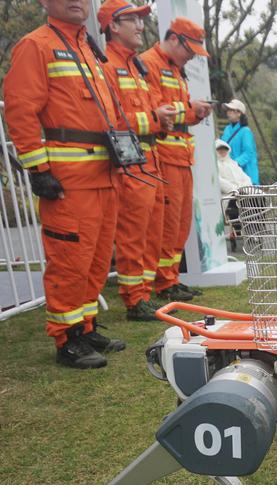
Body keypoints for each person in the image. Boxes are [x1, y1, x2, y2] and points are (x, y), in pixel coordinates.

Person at [3, 0, 129, 368]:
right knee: (70, 261)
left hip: (104, 174)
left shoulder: (88, 47)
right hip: (69, 181)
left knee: (96, 260)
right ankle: (67, 339)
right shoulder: (36, 45)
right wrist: (37, 169)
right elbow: (20, 108)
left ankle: (85, 327)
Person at [97, 0, 176, 322]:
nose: (141, 26)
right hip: (131, 163)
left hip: (149, 159)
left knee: (152, 233)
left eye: (141, 20)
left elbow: (149, 111)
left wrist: (163, 118)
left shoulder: (136, 66)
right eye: (133, 20)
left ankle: (144, 293)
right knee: (133, 234)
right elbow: (111, 121)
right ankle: (134, 299)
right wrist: (154, 118)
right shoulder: (106, 65)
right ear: (113, 26)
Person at [141, 17, 213, 302]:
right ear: (173, 39)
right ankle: (163, 283)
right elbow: (156, 110)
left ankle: (171, 279)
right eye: (190, 50)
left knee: (181, 224)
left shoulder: (175, 69)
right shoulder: (149, 63)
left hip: (182, 156)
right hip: (163, 156)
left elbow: (179, 114)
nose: (192, 57)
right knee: (168, 225)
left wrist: (196, 112)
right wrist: (189, 108)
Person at [215, 138, 251, 251]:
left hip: (242, 193)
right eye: (220, 150)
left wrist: (244, 188)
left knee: (258, 199)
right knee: (235, 205)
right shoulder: (215, 165)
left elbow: (246, 178)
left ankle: (255, 229)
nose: (222, 152)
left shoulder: (233, 164)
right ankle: (237, 231)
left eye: (224, 150)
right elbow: (219, 181)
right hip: (229, 195)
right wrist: (235, 189)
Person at [220, 99, 260, 184]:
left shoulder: (246, 131)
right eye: (228, 110)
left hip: (246, 176)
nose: (228, 113)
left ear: (239, 113)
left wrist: (235, 163)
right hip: (230, 176)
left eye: (231, 110)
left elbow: (248, 152)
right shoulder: (227, 129)